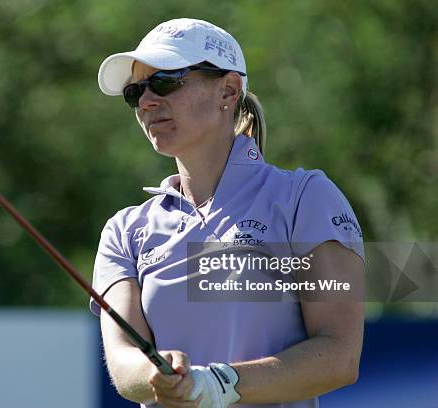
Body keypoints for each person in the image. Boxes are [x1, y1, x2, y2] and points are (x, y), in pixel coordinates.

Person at [90, 18, 365, 408]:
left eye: (166, 81)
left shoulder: (306, 197)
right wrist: (156, 374)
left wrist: (221, 383)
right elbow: (123, 366)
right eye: (135, 92)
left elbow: (340, 356)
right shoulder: (124, 230)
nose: (147, 101)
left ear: (228, 90)